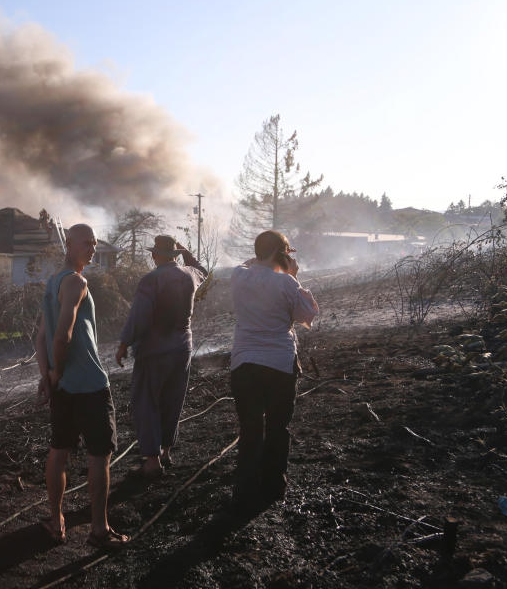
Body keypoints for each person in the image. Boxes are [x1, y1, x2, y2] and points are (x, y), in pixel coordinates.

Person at [35, 224, 129, 549]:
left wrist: (46, 375)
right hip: (88, 384)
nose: (92, 248)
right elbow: (62, 335)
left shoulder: (52, 283)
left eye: (93, 243)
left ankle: (56, 521)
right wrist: (56, 372)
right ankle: (100, 530)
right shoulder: (76, 282)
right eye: (86, 243)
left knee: (58, 451)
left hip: (62, 387)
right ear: (70, 245)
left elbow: (40, 338)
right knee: (99, 455)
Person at [226, 230, 318, 507]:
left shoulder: (238, 276)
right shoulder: (286, 283)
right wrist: (294, 276)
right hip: (279, 362)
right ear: (281, 254)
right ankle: (274, 485)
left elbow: (245, 265)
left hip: (244, 362)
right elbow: (306, 316)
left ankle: (245, 487)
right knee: (278, 426)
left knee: (251, 427)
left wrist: (259, 259)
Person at [116, 235, 208, 478]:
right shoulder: (189, 275)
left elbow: (139, 316)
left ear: (155, 255)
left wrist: (124, 343)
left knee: (146, 402)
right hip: (182, 348)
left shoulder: (151, 280)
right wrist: (186, 252)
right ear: (175, 255)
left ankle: (152, 460)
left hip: (154, 350)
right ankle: (166, 451)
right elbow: (202, 270)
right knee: (172, 400)